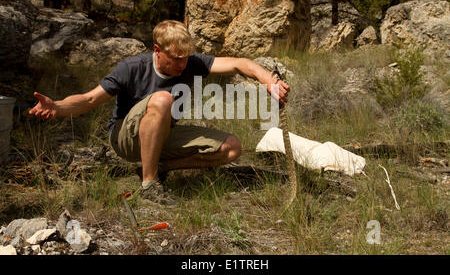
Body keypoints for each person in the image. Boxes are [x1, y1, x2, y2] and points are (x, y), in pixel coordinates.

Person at [29, 20, 290, 205]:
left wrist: (268, 80)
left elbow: (238, 63)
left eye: (186, 57)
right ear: (157, 50)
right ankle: (149, 185)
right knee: (163, 99)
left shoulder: (190, 63)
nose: (182, 64)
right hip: (125, 138)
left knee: (232, 148)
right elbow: (89, 99)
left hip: (163, 134)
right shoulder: (132, 67)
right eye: (175, 57)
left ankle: (159, 166)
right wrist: (58, 107)